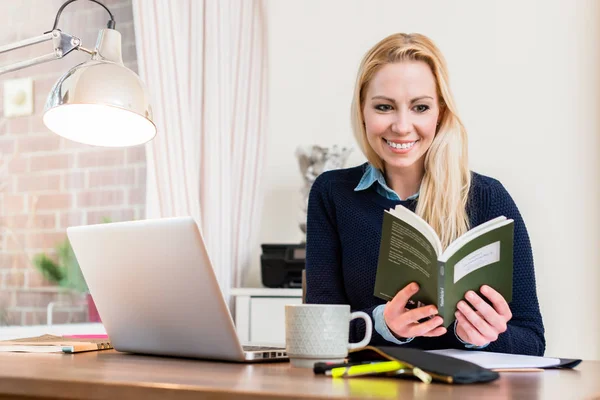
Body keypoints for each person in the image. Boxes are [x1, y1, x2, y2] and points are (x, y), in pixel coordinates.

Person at [305, 33, 545, 355]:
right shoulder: (333, 194)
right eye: (384, 107)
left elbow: (532, 341)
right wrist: (383, 326)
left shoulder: (489, 198)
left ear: (440, 113)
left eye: (420, 107)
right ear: (363, 111)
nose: (402, 126)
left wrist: (483, 336)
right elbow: (318, 331)